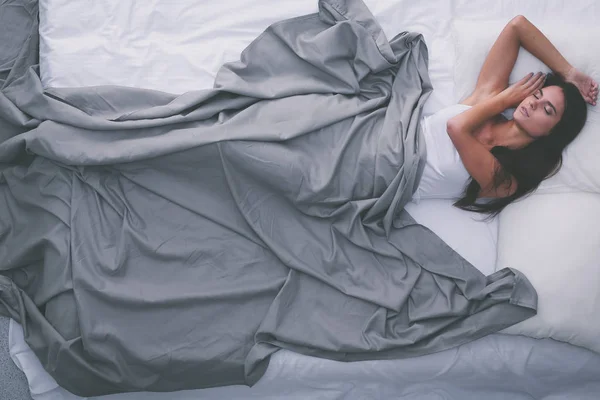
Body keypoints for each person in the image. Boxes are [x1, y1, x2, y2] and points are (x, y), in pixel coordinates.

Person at [415, 15, 598, 217]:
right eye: (536, 95)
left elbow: (456, 128)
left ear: (553, 132)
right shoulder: (487, 99)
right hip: (389, 130)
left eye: (547, 110)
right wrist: (568, 73)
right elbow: (517, 26)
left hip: (388, 178)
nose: (533, 102)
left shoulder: (507, 181)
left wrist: (504, 100)